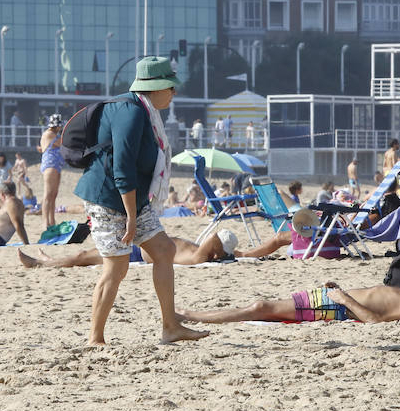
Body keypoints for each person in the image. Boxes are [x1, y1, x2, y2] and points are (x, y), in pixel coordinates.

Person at [73, 56, 207, 345]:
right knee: (116, 267)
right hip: (108, 198)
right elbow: (122, 167)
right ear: (155, 87)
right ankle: (95, 338)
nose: (174, 93)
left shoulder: (144, 111)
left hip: (130, 198)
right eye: (170, 87)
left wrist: (135, 211)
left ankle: (170, 327)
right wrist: (132, 217)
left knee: (164, 249)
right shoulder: (130, 112)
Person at [177, 273, 400, 324]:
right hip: (334, 297)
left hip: (333, 305)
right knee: (262, 307)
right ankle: (189, 313)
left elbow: (376, 320)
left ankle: (190, 315)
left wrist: (343, 298)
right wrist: (342, 290)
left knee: (260, 307)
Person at [18, 229, 240, 269]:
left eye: (218, 244)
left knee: (83, 256)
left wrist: (220, 249)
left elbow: (212, 237)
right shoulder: (203, 252)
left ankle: (41, 263)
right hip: (142, 245)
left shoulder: (200, 257)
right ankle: (49, 260)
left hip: (137, 255)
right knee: (86, 254)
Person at [37, 113, 64, 230]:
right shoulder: (50, 134)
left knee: (53, 195)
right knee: (48, 194)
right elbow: (62, 142)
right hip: (50, 165)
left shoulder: (53, 134)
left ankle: (52, 221)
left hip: (56, 165)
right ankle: (44, 222)